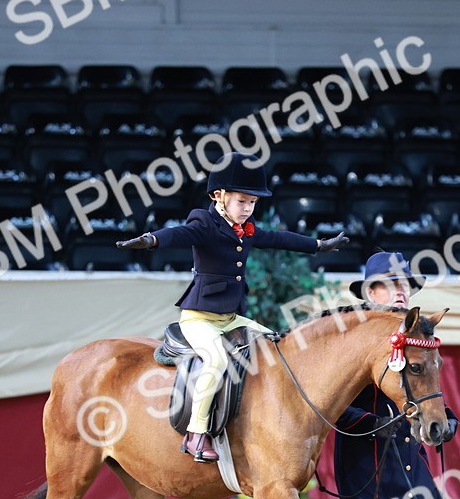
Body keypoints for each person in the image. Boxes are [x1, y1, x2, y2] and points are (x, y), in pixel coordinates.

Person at [117, 151, 348, 462]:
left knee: (278, 345)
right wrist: (151, 240)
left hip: (231, 318)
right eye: (242, 201)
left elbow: (279, 238)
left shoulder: (247, 228)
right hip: (199, 319)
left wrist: (318, 246)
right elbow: (179, 234)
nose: (248, 208)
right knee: (214, 361)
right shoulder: (204, 222)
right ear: (219, 196)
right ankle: (196, 434)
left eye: (252, 203)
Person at [333, 251, 460, 499]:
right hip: (365, 452)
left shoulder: (416, 338)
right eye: (391, 285)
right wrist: (372, 424)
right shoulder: (352, 336)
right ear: (371, 291)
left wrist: (448, 420)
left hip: (406, 452)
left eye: (405, 285)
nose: (402, 291)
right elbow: (334, 402)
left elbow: (425, 392)